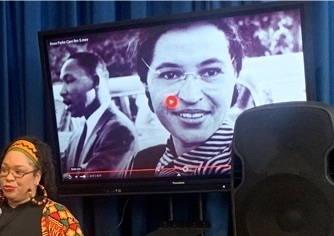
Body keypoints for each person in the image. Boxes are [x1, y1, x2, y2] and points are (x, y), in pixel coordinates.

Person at [129, 20, 244, 177]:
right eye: (170, 75)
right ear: (145, 83)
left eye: (211, 72)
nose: (191, 96)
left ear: (235, 75)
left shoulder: (259, 164)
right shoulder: (142, 164)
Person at [59, 52, 136, 178]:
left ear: (95, 81)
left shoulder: (120, 130)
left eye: (69, 81)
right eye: (62, 82)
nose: (62, 91)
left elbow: (94, 178)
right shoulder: (76, 136)